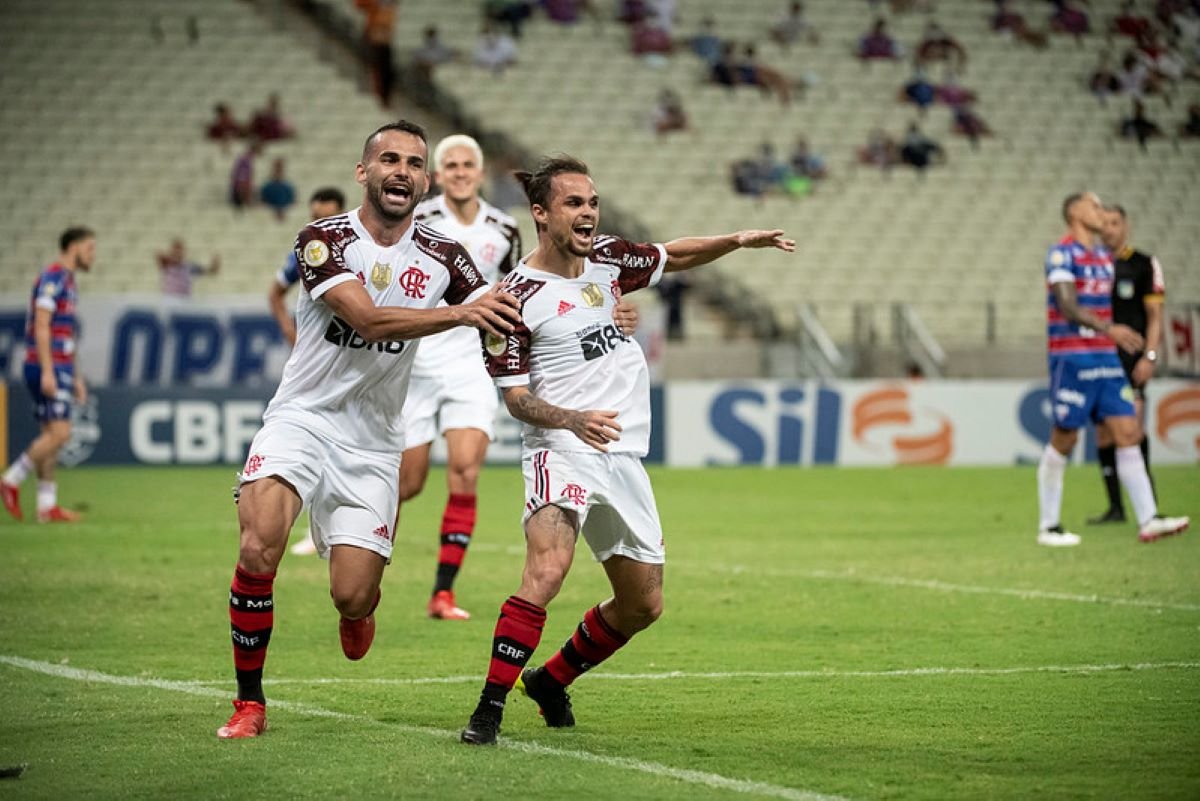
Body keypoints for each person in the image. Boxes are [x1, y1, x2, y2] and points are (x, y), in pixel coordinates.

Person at [458, 155, 794, 745]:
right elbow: (513, 398)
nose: (588, 213)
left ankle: (551, 681)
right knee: (547, 570)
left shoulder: (608, 262)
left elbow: (674, 253)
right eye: (573, 203)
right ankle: (488, 707)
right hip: (559, 447)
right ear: (541, 214)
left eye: (592, 202)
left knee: (643, 604)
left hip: (622, 454)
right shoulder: (511, 298)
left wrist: (737, 240)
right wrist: (572, 419)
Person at [215, 119, 522, 740]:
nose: (401, 171)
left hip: (374, 440)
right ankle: (250, 702)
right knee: (257, 545)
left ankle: (359, 608)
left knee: (352, 597)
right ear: (365, 172)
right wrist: (459, 312)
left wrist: (597, 302)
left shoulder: (445, 256)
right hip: (302, 418)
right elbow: (369, 319)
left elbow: (505, 307)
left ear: (425, 179)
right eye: (389, 159)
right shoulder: (322, 240)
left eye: (413, 162)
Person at [1036, 191, 1188, 548]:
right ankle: (1049, 525)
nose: (1101, 212)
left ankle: (1149, 519)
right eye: (1095, 206)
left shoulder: (1105, 259)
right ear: (1074, 213)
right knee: (1065, 437)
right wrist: (1110, 329)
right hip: (1072, 359)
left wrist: (1138, 347)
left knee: (1127, 432)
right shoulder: (1061, 254)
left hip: (1105, 359)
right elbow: (1067, 305)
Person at [1, 227, 96, 524]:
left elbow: (65, 332)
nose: (93, 255)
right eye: (90, 248)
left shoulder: (68, 281)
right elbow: (41, 325)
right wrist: (47, 370)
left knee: (50, 437)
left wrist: (77, 377)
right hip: (48, 365)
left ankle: (46, 506)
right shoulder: (53, 278)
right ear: (73, 247)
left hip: (60, 365)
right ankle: (11, 480)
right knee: (61, 433)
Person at [1089, 205, 1167, 524]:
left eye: (1114, 223)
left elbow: (1155, 317)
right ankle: (1116, 508)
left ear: (1125, 226)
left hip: (1131, 360)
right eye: (1103, 224)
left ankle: (1148, 505)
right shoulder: (1091, 264)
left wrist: (1149, 356)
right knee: (1104, 435)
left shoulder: (1143, 264)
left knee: (1131, 429)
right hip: (1098, 359)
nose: (1108, 229)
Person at [268, 187, 348, 349]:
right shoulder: (306, 255)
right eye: (316, 219)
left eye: (328, 219)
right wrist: (289, 331)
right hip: (317, 346)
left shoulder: (356, 251)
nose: (321, 226)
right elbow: (275, 294)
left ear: (342, 215)